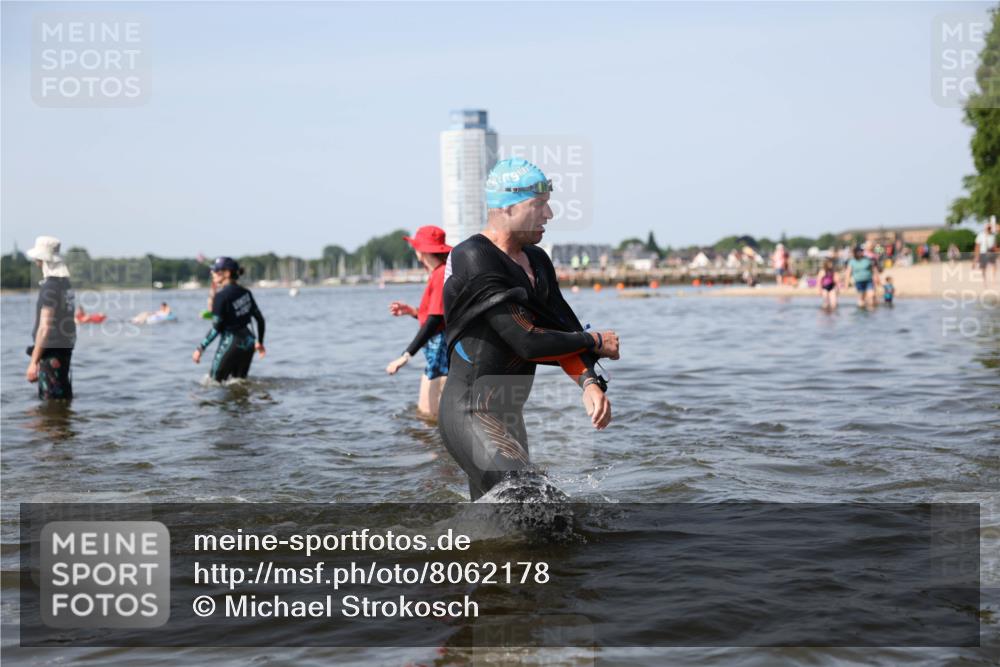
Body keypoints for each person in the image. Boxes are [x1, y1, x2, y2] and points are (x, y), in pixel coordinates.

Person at [438, 158, 620, 501]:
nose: (549, 214)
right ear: (507, 208)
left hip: (509, 418)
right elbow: (526, 341)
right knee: (536, 503)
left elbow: (562, 328)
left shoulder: (537, 260)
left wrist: (589, 382)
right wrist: (595, 340)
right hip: (469, 413)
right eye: (539, 204)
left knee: (507, 522)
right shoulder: (474, 257)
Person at [385, 226, 452, 419]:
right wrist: (413, 312)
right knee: (427, 415)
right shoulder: (439, 272)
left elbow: (435, 321)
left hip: (440, 355)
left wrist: (405, 356)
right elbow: (439, 316)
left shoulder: (440, 274)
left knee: (430, 415)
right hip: (438, 353)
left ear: (421, 252)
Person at [192, 257, 266, 381]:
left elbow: (216, 328)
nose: (212, 273)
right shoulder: (246, 292)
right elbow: (260, 319)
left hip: (231, 341)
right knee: (240, 383)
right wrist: (260, 343)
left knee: (213, 382)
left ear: (226, 273)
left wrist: (200, 348)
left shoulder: (221, 297)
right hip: (249, 342)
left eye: (216, 271)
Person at [24, 236, 76, 400]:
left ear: (41, 259)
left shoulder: (50, 287)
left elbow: (45, 327)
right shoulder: (65, 285)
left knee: (50, 403)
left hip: (51, 352)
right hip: (64, 350)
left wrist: (33, 362)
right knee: (62, 398)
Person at [973, 218, 997, 286]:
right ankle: (984, 280)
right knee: (983, 267)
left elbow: (994, 245)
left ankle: (993, 279)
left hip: (991, 253)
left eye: (990, 228)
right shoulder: (980, 235)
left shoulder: (993, 235)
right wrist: (976, 256)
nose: (989, 229)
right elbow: (977, 246)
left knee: (994, 266)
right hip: (983, 253)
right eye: (988, 228)